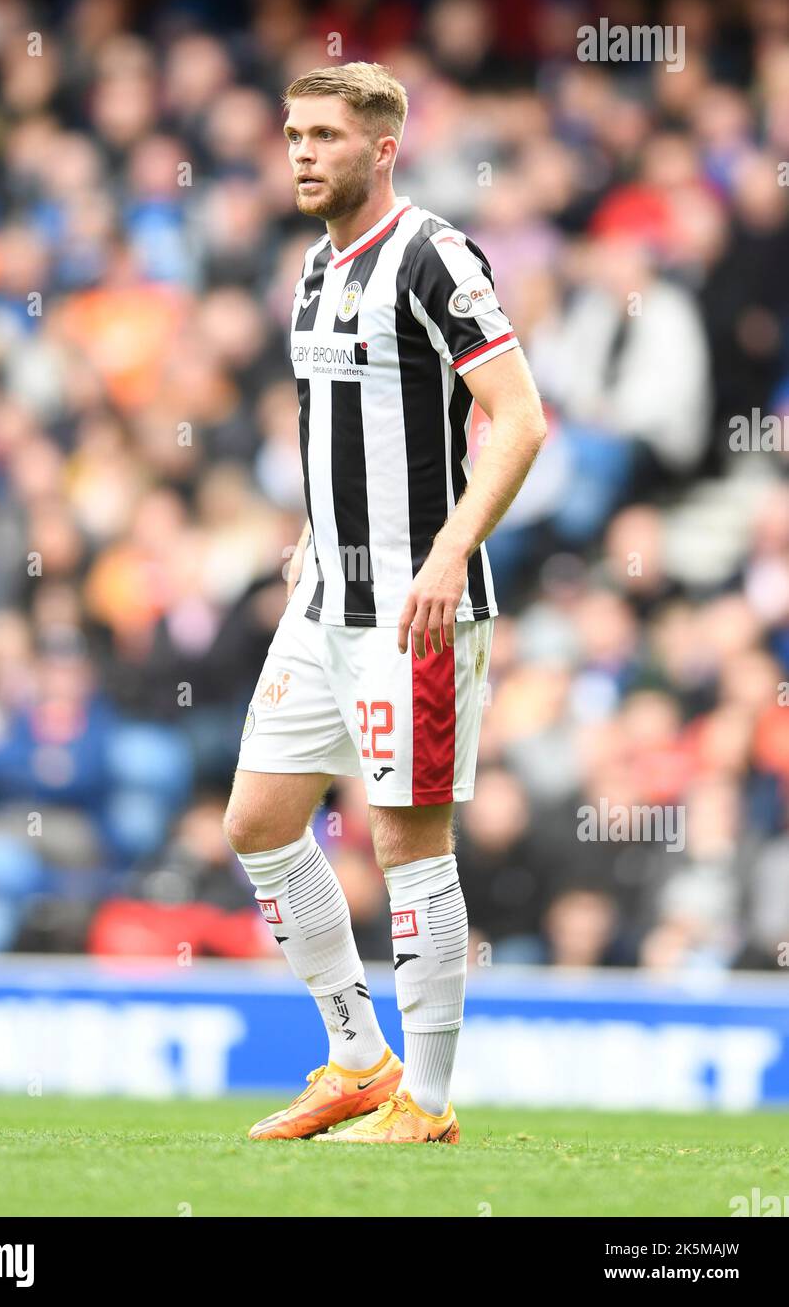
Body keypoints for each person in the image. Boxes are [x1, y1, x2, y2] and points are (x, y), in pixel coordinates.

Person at [223, 62, 546, 1144]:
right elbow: (345, 433)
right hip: (325, 600)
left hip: (418, 605)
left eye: (322, 134)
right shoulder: (314, 268)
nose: (301, 151)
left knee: (409, 842)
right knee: (260, 821)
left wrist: (454, 549)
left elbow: (520, 417)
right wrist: (313, 542)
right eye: (291, 133)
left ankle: (431, 1103)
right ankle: (359, 1061)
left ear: (382, 147)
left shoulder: (432, 253)